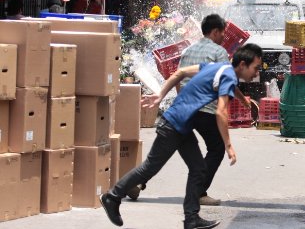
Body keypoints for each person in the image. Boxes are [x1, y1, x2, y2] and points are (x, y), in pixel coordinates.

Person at [100, 43, 263, 229]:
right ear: (242, 64)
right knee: (150, 167)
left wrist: (161, 95)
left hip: (182, 125)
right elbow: (221, 113)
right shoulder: (229, 76)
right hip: (173, 125)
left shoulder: (218, 68)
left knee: (198, 168)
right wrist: (228, 145)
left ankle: (191, 218)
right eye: (255, 68)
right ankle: (112, 196)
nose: (257, 73)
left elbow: (181, 72)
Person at [127, 14, 251, 206]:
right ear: (215, 32)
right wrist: (243, 101)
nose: (223, 38)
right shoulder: (219, 53)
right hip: (206, 109)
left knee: (165, 151)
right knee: (217, 148)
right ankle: (200, 192)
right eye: (222, 34)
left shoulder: (187, 50)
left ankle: (137, 181)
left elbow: (178, 76)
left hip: (185, 107)